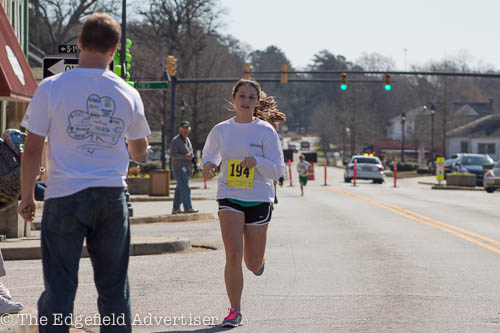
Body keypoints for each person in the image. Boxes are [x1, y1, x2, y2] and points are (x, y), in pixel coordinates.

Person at [18, 12, 150, 332]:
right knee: (114, 287)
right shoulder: (127, 92)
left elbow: (32, 148)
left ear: (79, 44)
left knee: (60, 287)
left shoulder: (51, 87)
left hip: (64, 194)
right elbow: (140, 150)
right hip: (111, 195)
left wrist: (27, 196)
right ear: (114, 50)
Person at [201, 79, 286, 327]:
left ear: (256, 102)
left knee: (252, 262)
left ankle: (258, 264)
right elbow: (209, 156)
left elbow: (277, 171)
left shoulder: (265, 131)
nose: (246, 101)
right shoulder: (221, 130)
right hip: (229, 197)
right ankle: (234, 310)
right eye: (242, 96)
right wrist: (207, 166)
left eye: (251, 97)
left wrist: (257, 161)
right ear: (234, 99)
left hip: (259, 198)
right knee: (233, 254)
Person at [170, 121, 198, 214]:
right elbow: (173, 154)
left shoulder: (187, 140)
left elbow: (191, 154)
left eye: (187, 128)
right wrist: (184, 157)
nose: (186, 130)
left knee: (180, 188)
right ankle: (188, 207)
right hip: (178, 168)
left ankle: (175, 208)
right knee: (185, 188)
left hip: (186, 168)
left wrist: (192, 168)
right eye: (184, 128)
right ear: (180, 129)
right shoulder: (176, 140)